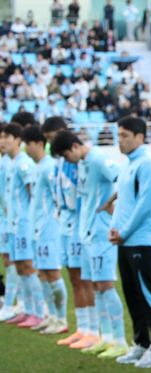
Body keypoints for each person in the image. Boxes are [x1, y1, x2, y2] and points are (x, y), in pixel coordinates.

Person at [50, 130, 128, 359]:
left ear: (75, 146)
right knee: (94, 285)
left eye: (66, 155)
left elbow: (123, 178)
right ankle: (104, 337)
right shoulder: (83, 163)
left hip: (101, 233)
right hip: (86, 232)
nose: (66, 161)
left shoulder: (98, 158)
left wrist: (112, 206)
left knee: (105, 285)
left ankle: (120, 340)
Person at [101, 116, 151, 368]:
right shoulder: (127, 164)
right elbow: (123, 205)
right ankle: (140, 344)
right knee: (132, 294)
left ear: (140, 137)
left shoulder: (149, 164)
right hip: (125, 240)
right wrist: (113, 229)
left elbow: (145, 204)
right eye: (117, 135)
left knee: (148, 294)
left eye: (124, 135)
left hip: (142, 241)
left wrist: (124, 231)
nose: (119, 140)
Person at [41, 117, 97, 347]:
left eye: (51, 137)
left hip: (79, 223)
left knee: (84, 276)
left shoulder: (79, 158)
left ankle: (93, 330)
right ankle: (81, 328)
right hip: (65, 222)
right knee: (74, 277)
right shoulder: (60, 160)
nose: (50, 143)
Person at [22, 126, 69, 335]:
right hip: (36, 228)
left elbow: (58, 198)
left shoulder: (50, 167)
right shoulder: (37, 166)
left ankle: (62, 318)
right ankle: (50, 316)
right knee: (41, 273)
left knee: (53, 273)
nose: (25, 148)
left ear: (39, 144)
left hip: (48, 229)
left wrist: (51, 222)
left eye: (28, 144)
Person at [2, 124, 45, 328]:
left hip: (24, 224)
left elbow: (32, 194)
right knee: (19, 267)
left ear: (18, 139)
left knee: (28, 267)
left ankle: (40, 310)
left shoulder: (23, 164)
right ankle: (28, 310)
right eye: (1, 137)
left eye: (7, 137)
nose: (3, 141)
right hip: (13, 224)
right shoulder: (11, 162)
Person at [0, 130, 17, 321]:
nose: (2, 141)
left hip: (9, 219)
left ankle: (11, 304)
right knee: (9, 260)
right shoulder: (5, 161)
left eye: (6, 137)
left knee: (12, 260)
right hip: (5, 218)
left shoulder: (12, 163)